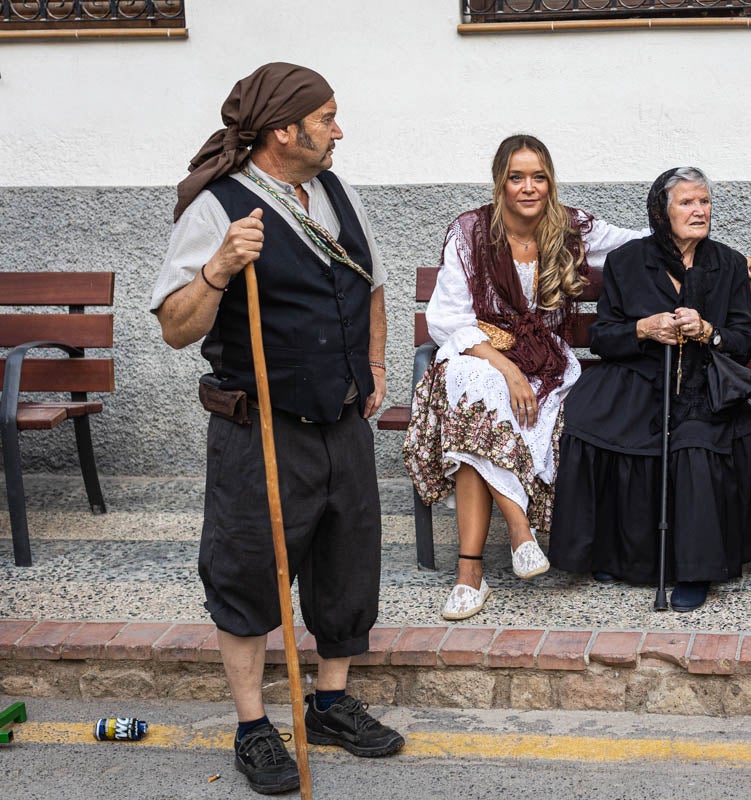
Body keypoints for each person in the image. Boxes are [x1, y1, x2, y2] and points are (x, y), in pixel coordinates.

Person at [151, 63, 403, 795]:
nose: (338, 130)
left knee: (346, 563)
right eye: (327, 118)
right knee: (247, 570)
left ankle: (329, 704)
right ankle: (254, 725)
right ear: (283, 131)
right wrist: (221, 268)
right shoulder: (215, 208)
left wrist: (377, 363)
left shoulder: (339, 194)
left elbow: (373, 281)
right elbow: (174, 327)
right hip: (258, 425)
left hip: (343, 419)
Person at [402, 134, 647, 621]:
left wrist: (710, 253)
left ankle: (469, 575)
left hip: (546, 366)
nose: (529, 188)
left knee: (473, 423)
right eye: (517, 177)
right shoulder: (470, 232)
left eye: (539, 177)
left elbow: (638, 240)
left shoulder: (570, 227)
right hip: (478, 356)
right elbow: (447, 320)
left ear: (550, 181)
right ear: (500, 182)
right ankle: (520, 530)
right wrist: (507, 366)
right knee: (478, 385)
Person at [550, 167, 751, 612]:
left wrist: (709, 331)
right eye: (687, 203)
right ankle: (618, 554)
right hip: (640, 374)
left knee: (694, 442)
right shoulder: (627, 261)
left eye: (704, 202)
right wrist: (643, 328)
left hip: (702, 380)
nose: (699, 211)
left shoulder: (727, 264)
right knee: (591, 423)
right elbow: (603, 336)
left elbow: (744, 341)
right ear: (661, 211)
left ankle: (695, 568)